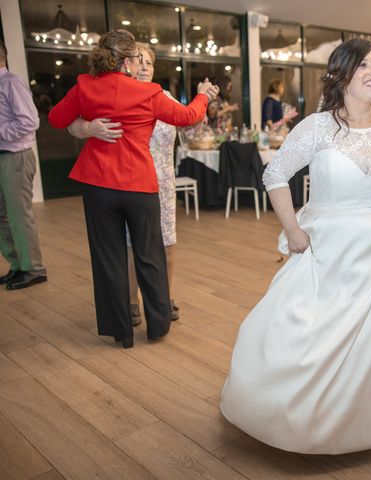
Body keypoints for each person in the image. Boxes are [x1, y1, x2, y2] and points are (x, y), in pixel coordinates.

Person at [220, 38, 371, 454]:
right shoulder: (316, 126)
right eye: (364, 64)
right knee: (309, 335)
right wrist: (293, 231)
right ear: (342, 74)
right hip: (327, 251)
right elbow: (275, 174)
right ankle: (305, 418)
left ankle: (370, 418)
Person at [48, 30, 218, 348]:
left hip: (98, 186)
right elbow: (188, 116)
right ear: (128, 61)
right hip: (138, 185)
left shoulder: (85, 85)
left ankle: (120, 331)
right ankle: (157, 327)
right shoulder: (148, 93)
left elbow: (57, 118)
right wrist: (203, 96)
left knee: (108, 258)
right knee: (149, 255)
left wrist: (85, 125)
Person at [66, 43, 182, 325]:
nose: (144, 67)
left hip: (163, 182)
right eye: (138, 61)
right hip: (126, 182)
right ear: (127, 64)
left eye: (149, 63)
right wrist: (88, 128)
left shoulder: (164, 96)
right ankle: (131, 302)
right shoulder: (111, 94)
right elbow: (70, 122)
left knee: (165, 244)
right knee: (132, 246)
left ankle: (163, 298)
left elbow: (189, 122)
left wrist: (204, 100)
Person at [0, 40, 47, 290]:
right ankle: (18, 264)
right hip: (2, 156)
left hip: (15, 157)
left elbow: (30, 122)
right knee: (1, 216)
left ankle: (34, 269)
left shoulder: (11, 83)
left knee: (19, 215)